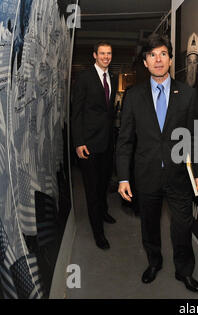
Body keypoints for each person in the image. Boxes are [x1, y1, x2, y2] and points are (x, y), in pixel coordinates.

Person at [116, 33, 198, 292]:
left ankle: (184, 271)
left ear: (170, 58)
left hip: (179, 176)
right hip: (146, 176)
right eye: (152, 55)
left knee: (182, 227)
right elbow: (125, 142)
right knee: (149, 226)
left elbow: (195, 139)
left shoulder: (188, 94)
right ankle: (154, 262)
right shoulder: (133, 97)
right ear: (145, 62)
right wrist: (123, 177)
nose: (158, 59)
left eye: (163, 54)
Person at [71, 40, 118, 250]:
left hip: (107, 143)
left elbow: (109, 113)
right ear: (94, 55)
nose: (106, 57)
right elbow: (76, 113)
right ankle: (98, 233)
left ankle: (104, 211)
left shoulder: (113, 78)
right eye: (102, 53)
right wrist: (79, 142)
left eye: (108, 53)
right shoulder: (84, 78)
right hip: (89, 144)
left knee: (104, 183)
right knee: (92, 189)